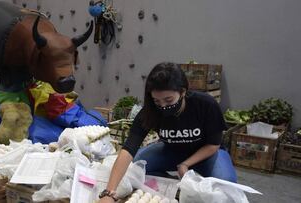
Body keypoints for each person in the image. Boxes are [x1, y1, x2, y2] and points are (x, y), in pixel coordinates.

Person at [98, 62, 236, 202]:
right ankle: (175, 186)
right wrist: (109, 192)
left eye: (168, 100)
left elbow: (213, 144)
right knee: (137, 165)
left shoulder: (205, 104)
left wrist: (186, 164)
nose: (163, 106)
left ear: (182, 92)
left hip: (207, 154)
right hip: (173, 151)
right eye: (157, 101)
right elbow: (128, 149)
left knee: (226, 187)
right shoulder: (150, 111)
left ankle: (197, 178)